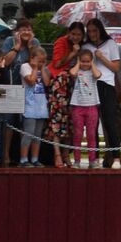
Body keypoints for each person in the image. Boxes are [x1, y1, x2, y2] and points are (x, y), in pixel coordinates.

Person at [83, 18, 121, 168]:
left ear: (100, 30)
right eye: (89, 31)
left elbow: (116, 67)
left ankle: (116, 157)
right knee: (92, 122)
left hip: (106, 84)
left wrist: (102, 58)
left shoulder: (110, 44)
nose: (92, 33)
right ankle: (94, 157)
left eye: (95, 30)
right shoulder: (86, 46)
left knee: (110, 121)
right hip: (90, 85)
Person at [0, 17, 36, 164]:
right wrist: (17, 45)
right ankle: (6, 155)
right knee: (9, 122)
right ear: (17, 32)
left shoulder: (35, 43)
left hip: (27, 89)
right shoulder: (10, 41)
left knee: (24, 123)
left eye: (28, 29)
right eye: (23, 29)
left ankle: (24, 157)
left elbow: (36, 61)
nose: (26, 32)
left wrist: (31, 46)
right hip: (11, 86)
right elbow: (5, 62)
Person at [47, 22, 84, 168]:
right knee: (57, 119)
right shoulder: (61, 42)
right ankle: (57, 154)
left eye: (79, 35)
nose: (76, 37)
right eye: (73, 34)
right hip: (60, 84)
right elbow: (56, 64)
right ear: (69, 32)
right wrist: (73, 54)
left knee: (71, 121)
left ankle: (66, 154)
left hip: (74, 85)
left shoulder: (82, 46)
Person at [69, 47, 102, 168]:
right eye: (83, 61)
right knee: (78, 134)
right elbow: (72, 73)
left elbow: (98, 74)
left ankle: (92, 161)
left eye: (88, 61)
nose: (85, 63)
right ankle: (77, 160)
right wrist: (78, 63)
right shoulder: (77, 72)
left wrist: (92, 64)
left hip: (92, 107)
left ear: (92, 61)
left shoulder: (93, 72)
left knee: (91, 134)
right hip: (78, 106)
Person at [19, 46, 49, 167]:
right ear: (32, 58)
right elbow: (31, 81)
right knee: (28, 133)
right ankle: (23, 159)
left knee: (37, 135)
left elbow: (47, 83)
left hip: (41, 105)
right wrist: (35, 67)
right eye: (39, 60)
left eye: (43, 61)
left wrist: (41, 69)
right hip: (29, 104)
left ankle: (35, 158)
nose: (41, 63)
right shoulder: (25, 67)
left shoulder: (43, 69)